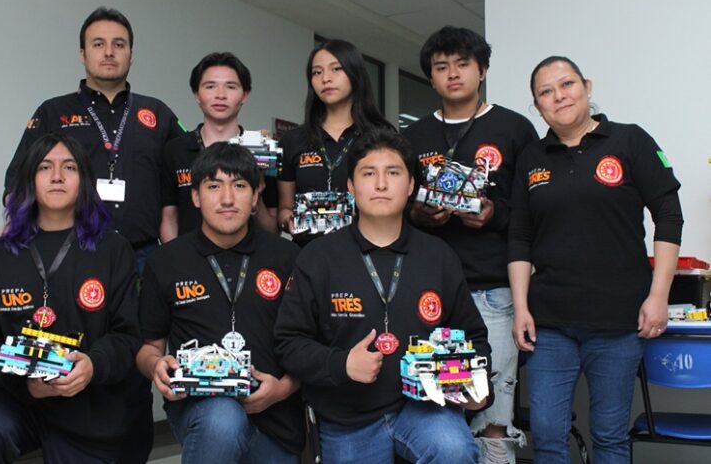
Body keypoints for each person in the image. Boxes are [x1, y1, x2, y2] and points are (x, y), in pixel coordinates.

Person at [275, 129, 491, 464]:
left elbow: (473, 336)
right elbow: (288, 342)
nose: (380, 184)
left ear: (411, 186)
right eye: (368, 173)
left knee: (453, 449)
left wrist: (478, 388)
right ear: (350, 186)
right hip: (348, 415)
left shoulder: (439, 256)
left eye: (393, 173)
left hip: (424, 407)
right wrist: (341, 364)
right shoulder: (318, 257)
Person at [509, 56, 683, 464]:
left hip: (618, 322)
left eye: (567, 84)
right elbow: (519, 237)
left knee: (609, 435)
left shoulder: (630, 140)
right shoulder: (532, 157)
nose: (559, 96)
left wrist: (659, 295)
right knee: (547, 435)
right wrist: (520, 308)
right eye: (546, 92)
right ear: (537, 106)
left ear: (586, 87)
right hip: (550, 324)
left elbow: (668, 215)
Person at [0, 134, 140, 463]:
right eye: (45, 167)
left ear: (84, 180)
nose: (57, 176)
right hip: (14, 397)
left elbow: (127, 335)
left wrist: (92, 365)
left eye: (69, 167)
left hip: (88, 402)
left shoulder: (114, 250)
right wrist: (24, 383)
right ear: (29, 180)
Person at [405, 25, 537, 464]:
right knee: (434, 406)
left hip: (493, 288)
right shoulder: (414, 136)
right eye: (441, 66)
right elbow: (396, 209)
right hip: (428, 290)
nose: (453, 74)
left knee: (493, 414)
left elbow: (535, 212)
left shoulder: (514, 128)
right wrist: (419, 215)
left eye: (463, 64)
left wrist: (493, 213)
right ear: (430, 77)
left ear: (482, 70)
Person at [137, 143, 304, 463]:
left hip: (276, 417)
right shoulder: (166, 261)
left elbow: (310, 346)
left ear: (255, 196)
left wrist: (282, 389)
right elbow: (148, 347)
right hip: (202, 410)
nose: (227, 199)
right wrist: (156, 366)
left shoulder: (288, 257)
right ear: (195, 196)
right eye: (214, 186)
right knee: (223, 419)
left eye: (239, 186)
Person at [4, 6, 184, 272]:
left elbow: (191, 169)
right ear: (83, 54)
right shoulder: (53, 112)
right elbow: (17, 181)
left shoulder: (158, 113)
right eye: (98, 44)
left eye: (119, 44)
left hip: (142, 257)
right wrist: (15, 232)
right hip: (68, 252)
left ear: (131, 55)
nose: (109, 52)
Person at [277, 39, 394, 240]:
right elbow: (284, 209)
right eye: (317, 72)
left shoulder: (382, 136)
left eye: (336, 69)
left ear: (355, 73)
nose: (326, 79)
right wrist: (289, 220)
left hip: (367, 250)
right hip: (309, 252)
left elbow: (395, 201)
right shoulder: (292, 140)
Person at [160, 52, 278, 242]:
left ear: (245, 95)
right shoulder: (175, 150)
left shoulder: (263, 149)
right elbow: (169, 219)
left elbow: (272, 230)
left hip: (249, 257)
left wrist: (257, 193)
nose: (220, 95)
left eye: (231, 87)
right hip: (189, 257)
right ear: (197, 95)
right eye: (210, 86)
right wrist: (175, 258)